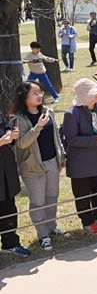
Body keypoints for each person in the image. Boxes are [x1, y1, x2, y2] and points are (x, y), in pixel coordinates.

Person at [9, 82, 67, 250]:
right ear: (24, 96)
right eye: (35, 93)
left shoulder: (48, 112)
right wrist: (38, 127)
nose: (39, 95)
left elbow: (56, 136)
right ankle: (43, 235)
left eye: (40, 92)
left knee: (52, 197)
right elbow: (21, 143)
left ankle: (51, 227)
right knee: (38, 201)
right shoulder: (17, 119)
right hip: (32, 166)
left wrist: (61, 154)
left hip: (52, 162)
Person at [62, 78, 97, 235]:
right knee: (83, 193)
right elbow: (72, 139)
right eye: (95, 92)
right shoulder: (72, 114)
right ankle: (87, 221)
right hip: (81, 163)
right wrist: (95, 139)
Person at [0, 112, 28, 257]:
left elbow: (3, 127)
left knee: (9, 207)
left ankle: (10, 243)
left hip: (5, 167)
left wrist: (11, 134)